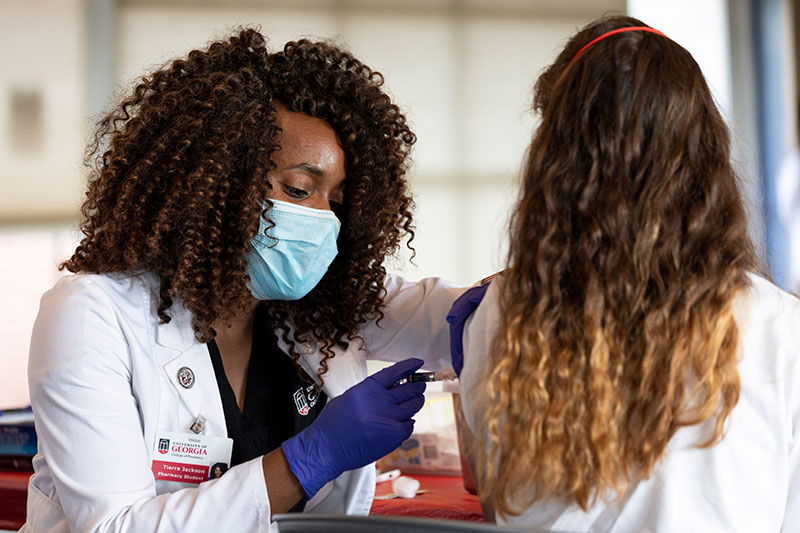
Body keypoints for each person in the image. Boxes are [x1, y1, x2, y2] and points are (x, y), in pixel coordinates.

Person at [22, 29, 462, 533]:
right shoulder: (90, 313)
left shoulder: (320, 306)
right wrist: (306, 462)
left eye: (335, 201)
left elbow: (450, 314)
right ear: (211, 183)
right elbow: (113, 528)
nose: (325, 221)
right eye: (299, 190)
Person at [450, 16, 800, 532]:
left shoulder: (505, 313)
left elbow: (496, 500)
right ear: (704, 155)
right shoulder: (781, 327)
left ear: (556, 162)